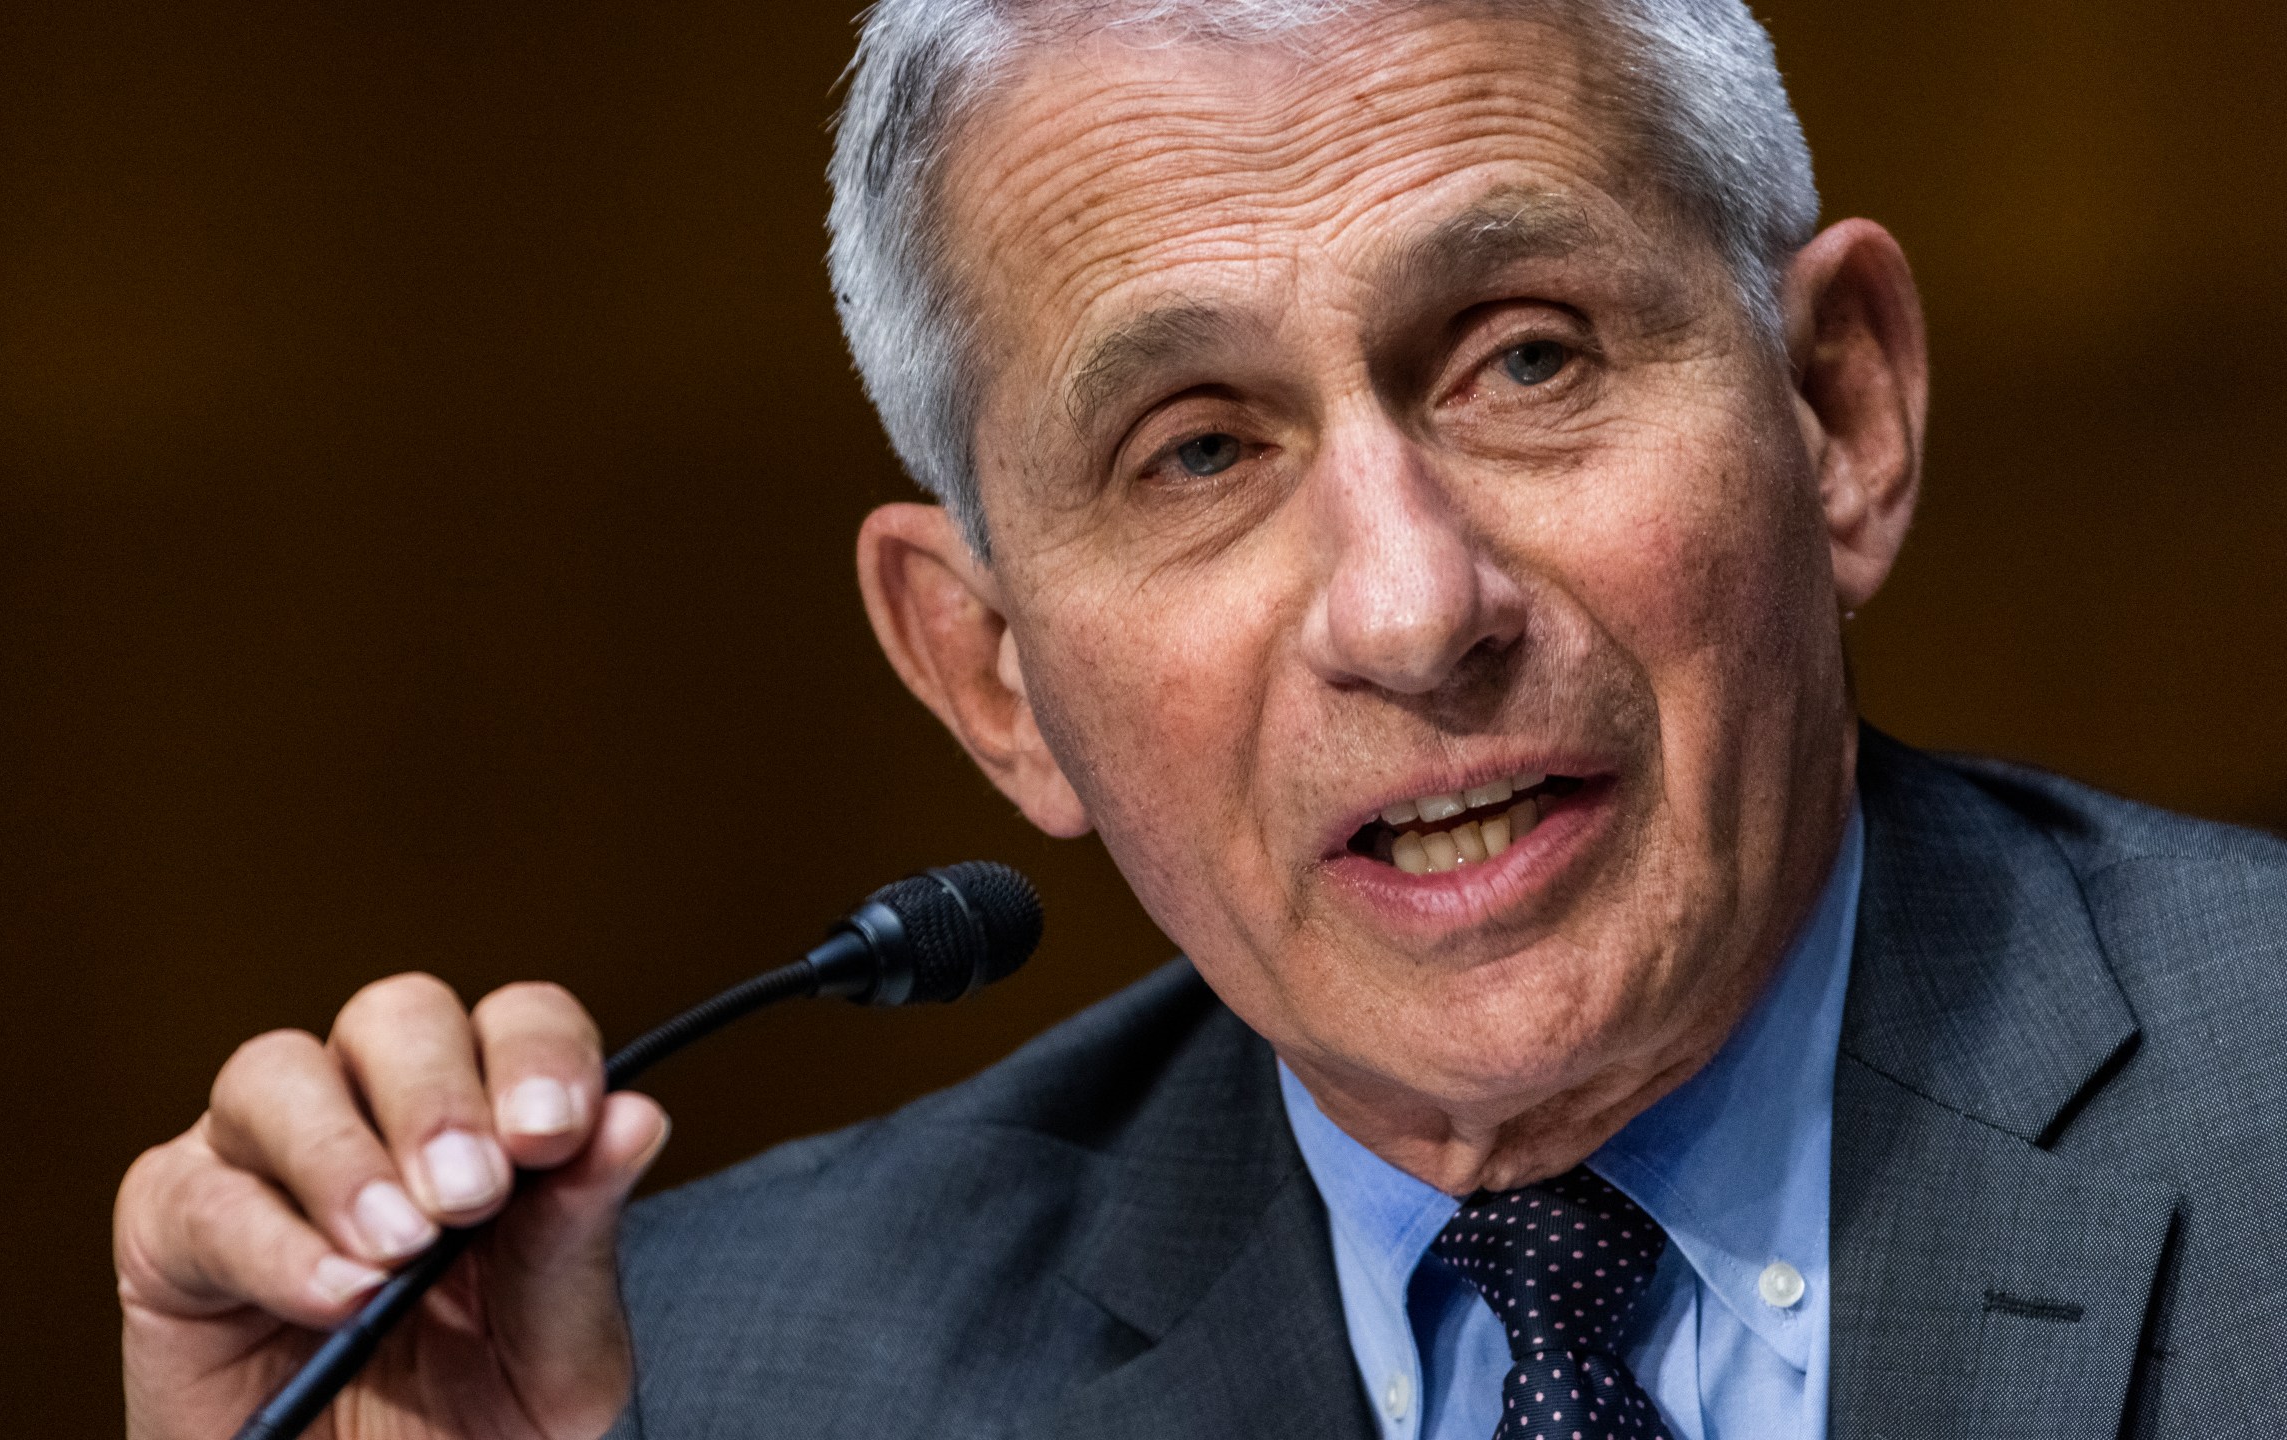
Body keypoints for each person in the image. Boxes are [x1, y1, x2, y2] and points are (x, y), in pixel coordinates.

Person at [114, 1, 2287, 1436]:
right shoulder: (688, 1387)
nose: (1408, 605)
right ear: (991, 682)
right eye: (1194, 450)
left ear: (1836, 416)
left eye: (1521, 357)